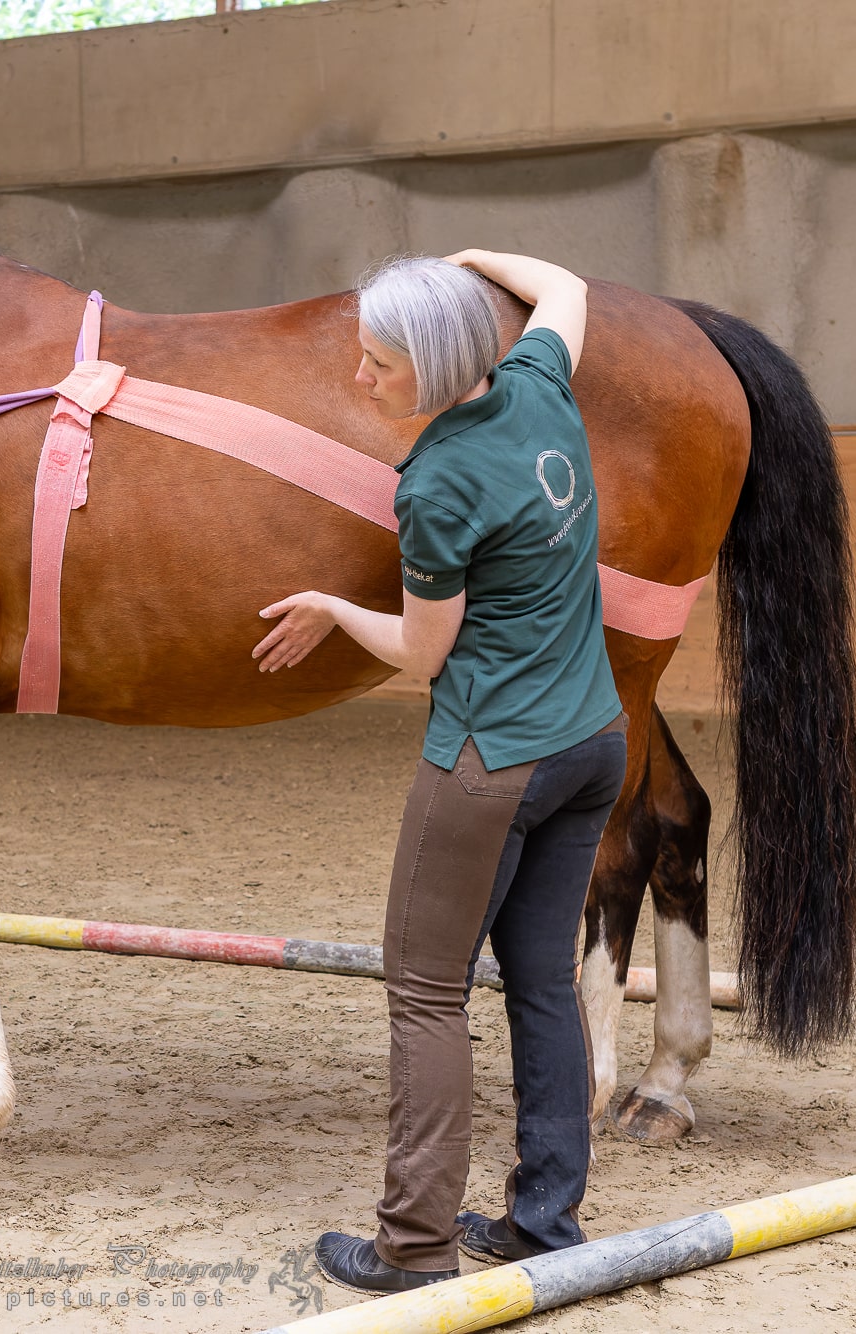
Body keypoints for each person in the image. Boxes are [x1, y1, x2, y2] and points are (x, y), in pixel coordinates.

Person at [252, 250, 628, 1291]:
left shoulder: (436, 480)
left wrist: (331, 608)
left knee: (423, 993)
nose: (360, 378)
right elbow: (566, 290)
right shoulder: (538, 382)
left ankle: (411, 1243)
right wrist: (468, 262)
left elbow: (421, 652)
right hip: (592, 739)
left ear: (431, 364)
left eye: (377, 363)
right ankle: (544, 1218)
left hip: (488, 760)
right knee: (542, 982)